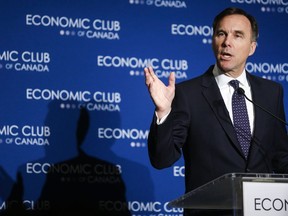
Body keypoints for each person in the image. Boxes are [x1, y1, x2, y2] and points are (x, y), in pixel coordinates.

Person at [144, 7, 288, 216]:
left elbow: (281, 156)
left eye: (238, 35)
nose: (227, 42)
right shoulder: (188, 94)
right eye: (221, 34)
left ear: (252, 47)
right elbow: (162, 159)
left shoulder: (271, 92)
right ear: (213, 40)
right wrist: (163, 111)